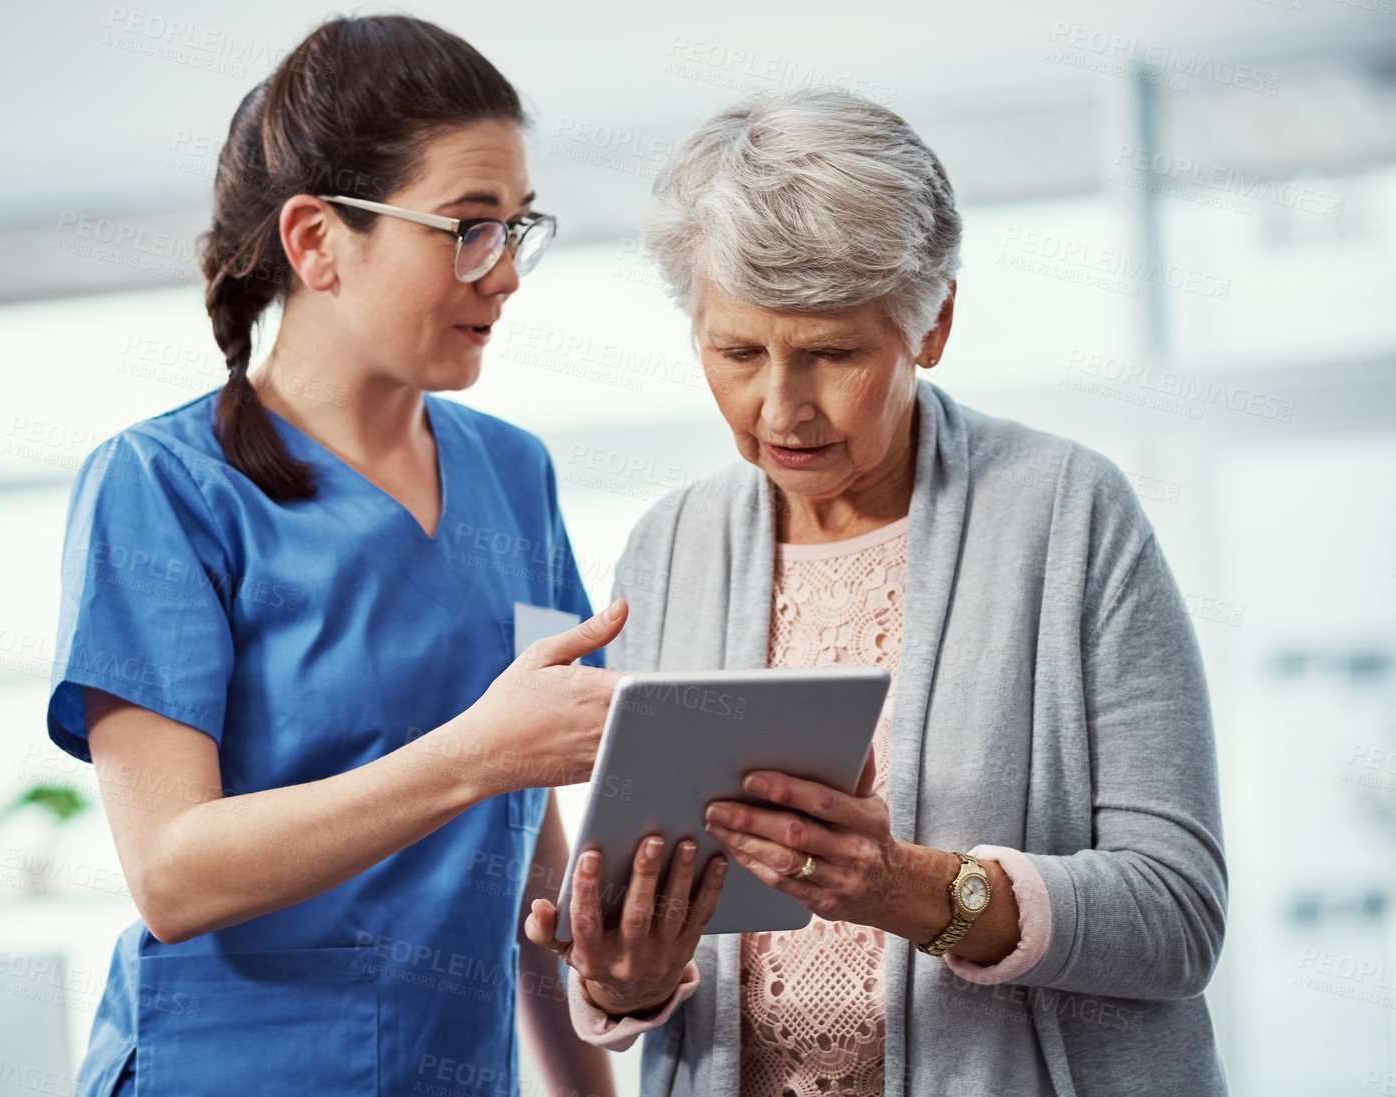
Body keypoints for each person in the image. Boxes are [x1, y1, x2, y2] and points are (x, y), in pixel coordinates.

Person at [525, 89, 1229, 1096]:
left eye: (832, 353)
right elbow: (652, 938)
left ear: (932, 320)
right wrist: (626, 979)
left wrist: (906, 887)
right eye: (736, 352)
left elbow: (1176, 915)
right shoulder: (669, 544)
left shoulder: (1070, 516)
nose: (781, 406)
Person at [44, 16, 622, 1096]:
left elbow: (531, 840)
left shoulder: (515, 478)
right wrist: (474, 755)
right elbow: (173, 870)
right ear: (316, 241)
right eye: (466, 226)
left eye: (518, 227)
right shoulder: (163, 485)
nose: (504, 274)